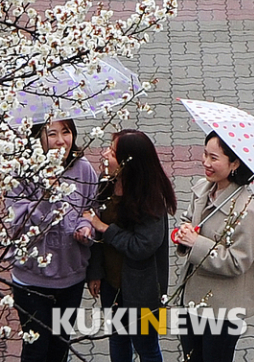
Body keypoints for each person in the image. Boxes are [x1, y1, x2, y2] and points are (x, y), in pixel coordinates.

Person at [5, 118, 99, 362]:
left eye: (66, 132)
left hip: (70, 278)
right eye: (52, 134)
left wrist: (85, 227)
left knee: (60, 347)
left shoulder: (83, 168)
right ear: (37, 138)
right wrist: (46, 197)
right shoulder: (21, 171)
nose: (61, 141)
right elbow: (17, 224)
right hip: (31, 279)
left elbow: (91, 210)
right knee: (36, 349)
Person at [84, 129, 177, 362]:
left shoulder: (151, 199)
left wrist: (107, 228)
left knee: (146, 346)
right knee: (117, 338)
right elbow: (95, 232)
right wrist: (95, 272)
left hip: (143, 290)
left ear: (129, 162)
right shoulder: (106, 185)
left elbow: (143, 245)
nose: (105, 154)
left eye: (113, 152)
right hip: (111, 284)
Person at [173, 131, 254, 362]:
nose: (206, 163)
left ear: (234, 163)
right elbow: (188, 218)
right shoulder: (203, 189)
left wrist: (197, 243)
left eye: (214, 158)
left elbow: (237, 261)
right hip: (192, 300)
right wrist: (183, 233)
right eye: (205, 154)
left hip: (222, 311)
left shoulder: (246, 212)